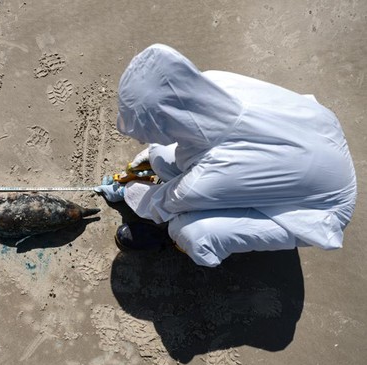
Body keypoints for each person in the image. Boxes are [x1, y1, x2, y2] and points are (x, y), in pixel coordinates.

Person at [96, 44, 357, 267]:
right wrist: (150, 158)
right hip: (315, 135)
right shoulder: (213, 81)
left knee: (192, 232)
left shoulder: (211, 176)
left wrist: (128, 191)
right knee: (161, 155)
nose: (143, 137)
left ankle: (171, 241)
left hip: (325, 205)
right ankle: (259, 194)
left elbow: (161, 205)